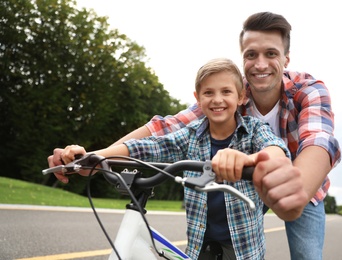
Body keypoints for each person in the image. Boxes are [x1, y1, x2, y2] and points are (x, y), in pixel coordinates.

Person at [49, 12, 341, 259]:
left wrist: (294, 188)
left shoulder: (308, 90)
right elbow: (164, 130)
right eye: (251, 55)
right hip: (241, 185)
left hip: (301, 183)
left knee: (306, 254)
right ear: (243, 59)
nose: (261, 64)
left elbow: (318, 141)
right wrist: (95, 157)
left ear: (286, 58)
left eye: (271, 54)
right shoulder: (231, 96)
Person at [57, 58, 303, 260]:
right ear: (198, 98)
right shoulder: (190, 135)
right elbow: (146, 147)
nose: (217, 99)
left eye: (226, 91)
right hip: (199, 246)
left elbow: (275, 148)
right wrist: (92, 157)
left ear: (240, 97)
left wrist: (248, 160)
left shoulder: (254, 130)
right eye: (209, 92)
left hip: (244, 249)